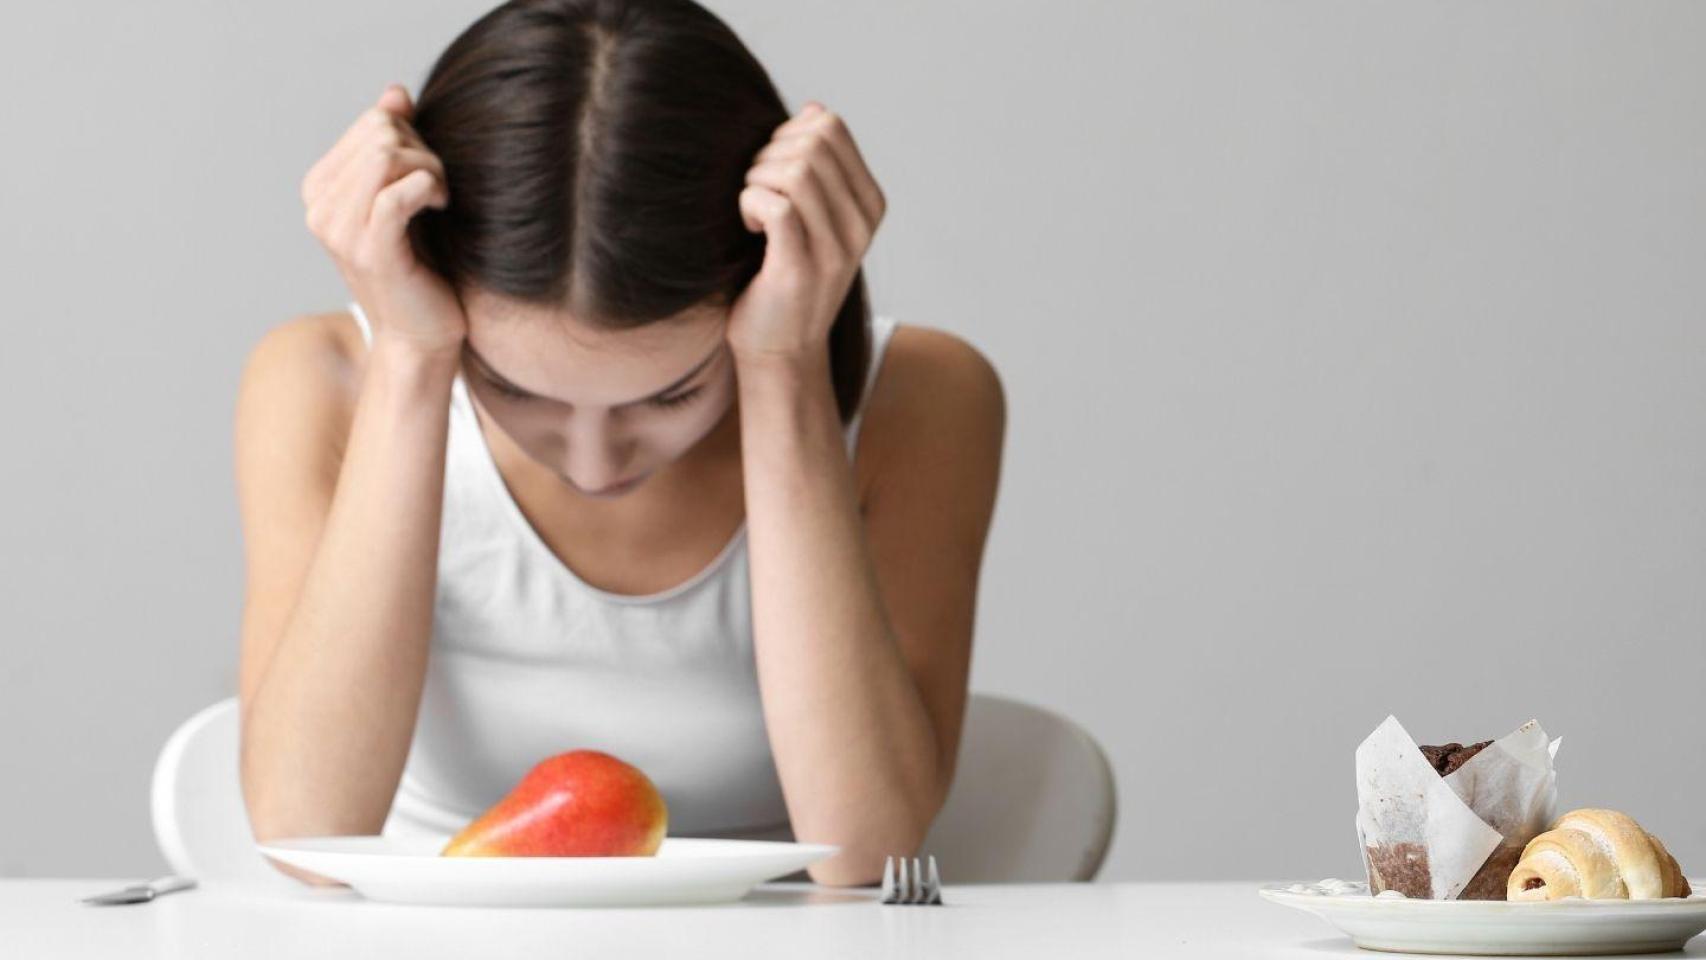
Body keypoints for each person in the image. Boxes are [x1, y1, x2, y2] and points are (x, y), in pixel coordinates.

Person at [234, 0, 1004, 889]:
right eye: (512, 388)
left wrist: (785, 366)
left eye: (672, 392)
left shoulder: (925, 396)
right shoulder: (317, 380)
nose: (595, 464)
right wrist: (412, 362)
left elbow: (871, 852)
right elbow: (309, 840)